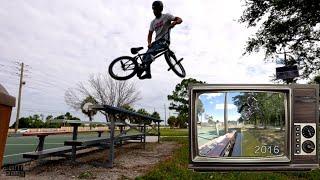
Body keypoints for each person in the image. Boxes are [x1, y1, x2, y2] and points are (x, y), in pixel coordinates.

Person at [138, 1, 183, 79]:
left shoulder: (167, 16)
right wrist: (149, 43)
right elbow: (150, 34)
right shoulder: (153, 22)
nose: (155, 12)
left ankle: (143, 68)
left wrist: (175, 22)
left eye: (157, 10)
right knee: (145, 56)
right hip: (155, 42)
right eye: (154, 10)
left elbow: (180, 19)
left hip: (164, 40)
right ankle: (147, 72)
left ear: (161, 9)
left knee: (150, 54)